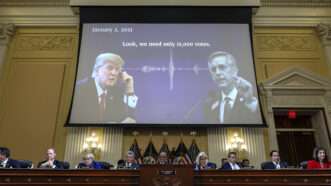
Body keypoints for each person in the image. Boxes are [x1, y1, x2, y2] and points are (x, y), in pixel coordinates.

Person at [72, 52, 138, 123]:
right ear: (97, 70)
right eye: (109, 68)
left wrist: (130, 89)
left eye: (117, 69)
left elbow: (130, 117)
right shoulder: (79, 89)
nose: (114, 73)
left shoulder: (116, 92)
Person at [205, 51, 258, 124]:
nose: (217, 73)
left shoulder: (250, 97)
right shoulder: (209, 104)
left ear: (235, 70)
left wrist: (249, 101)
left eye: (222, 67)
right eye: (213, 69)